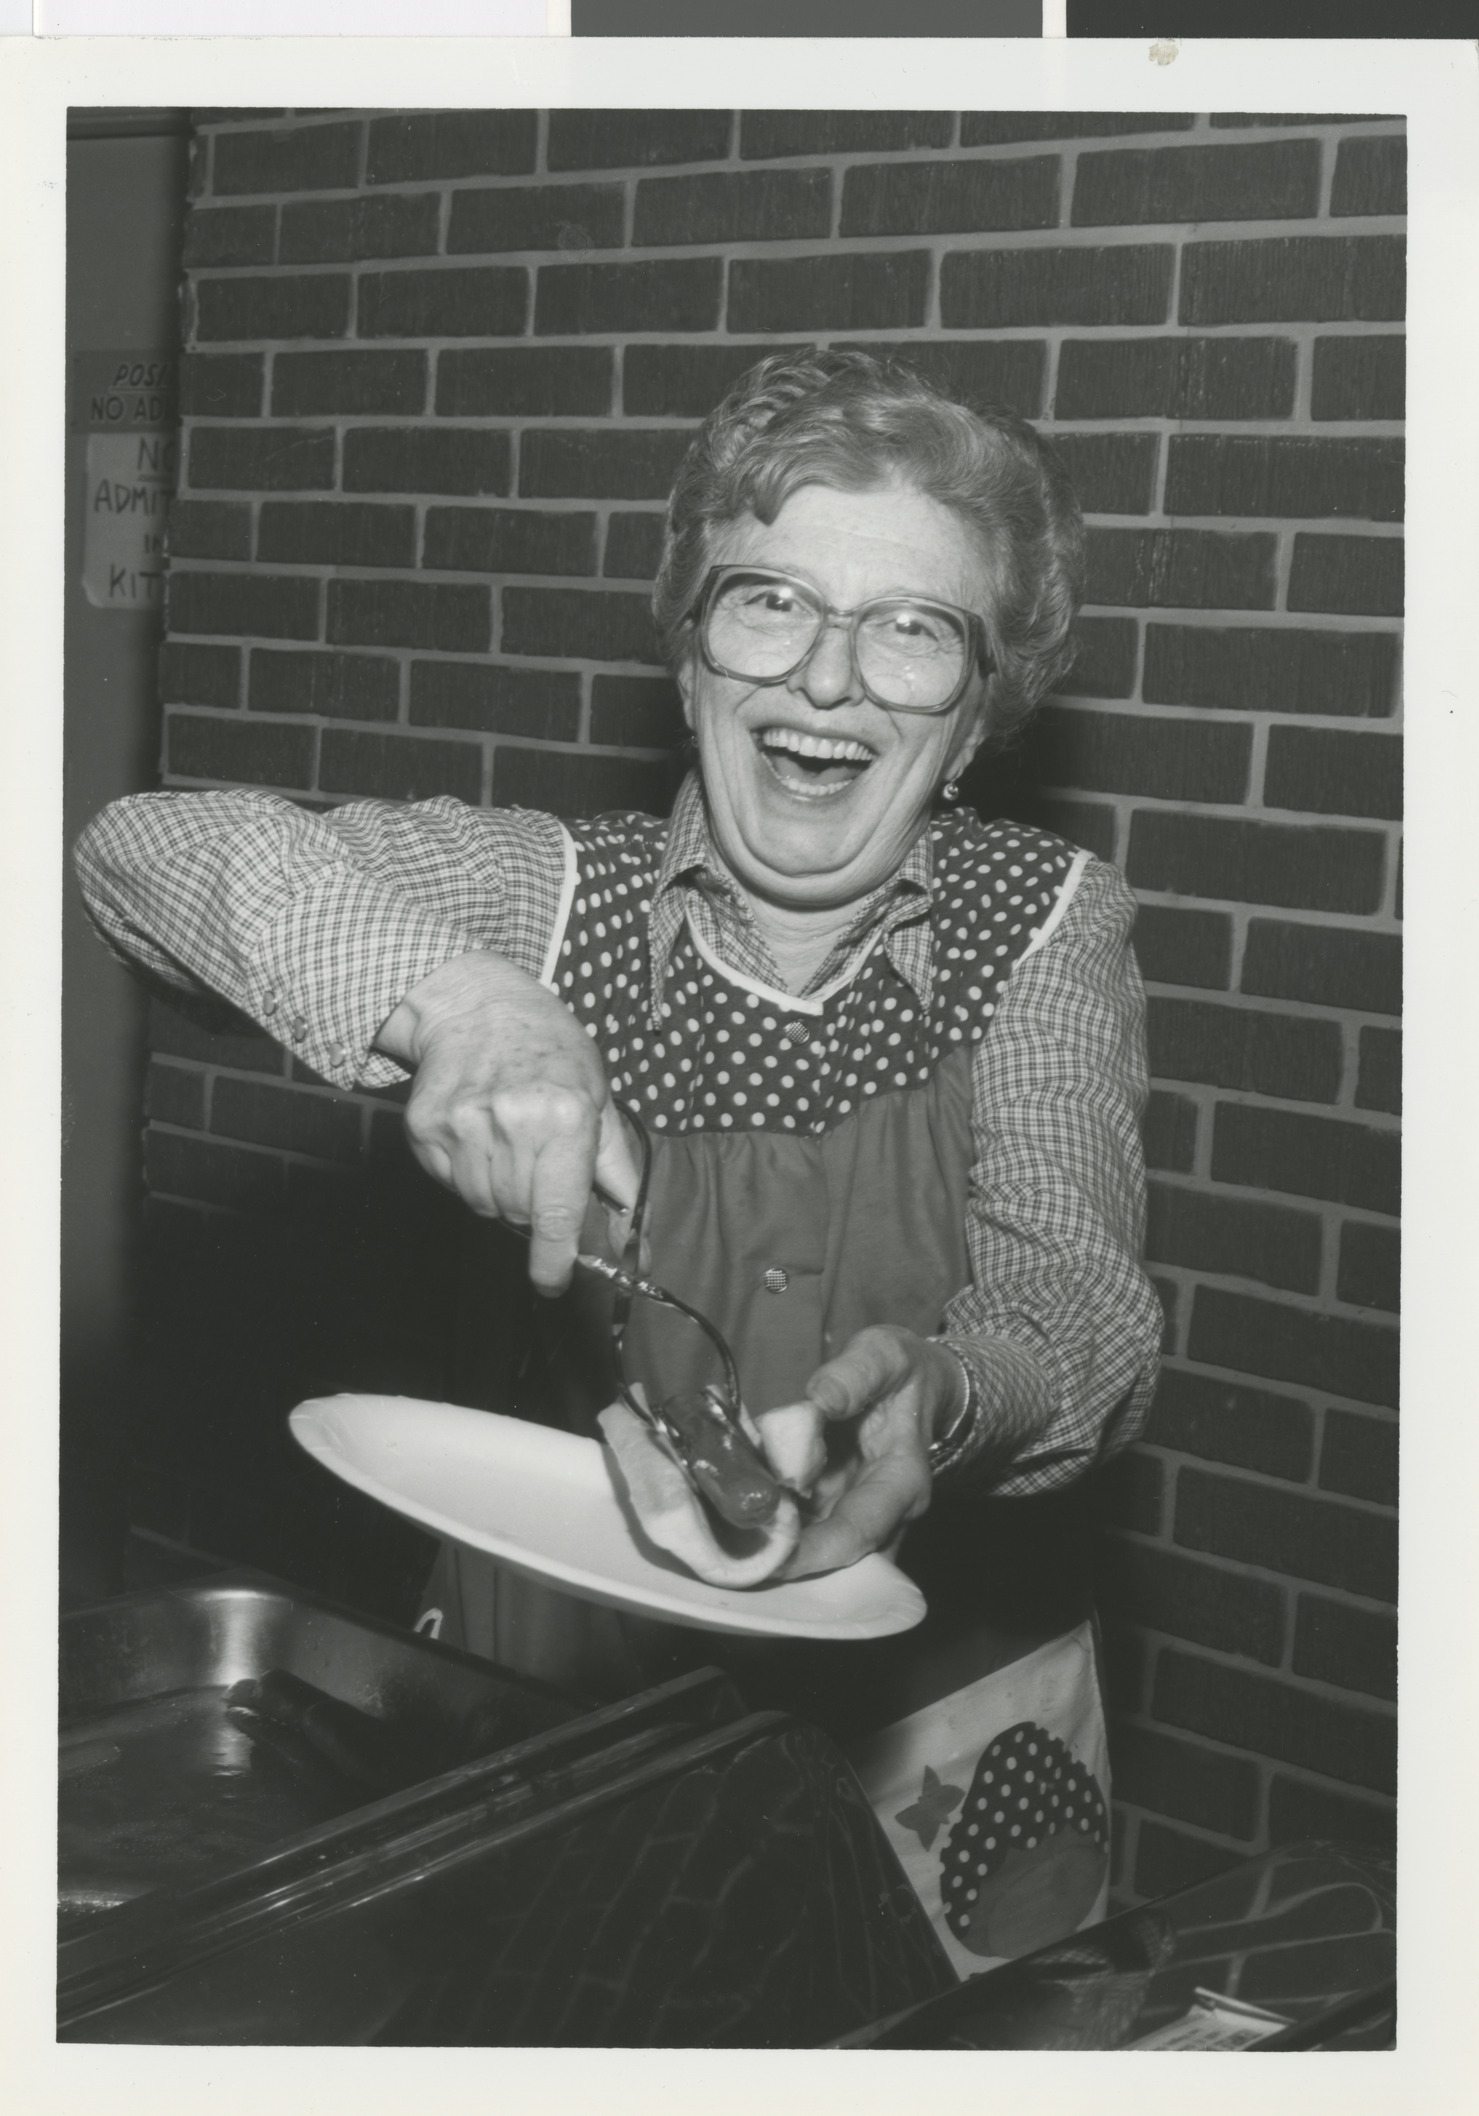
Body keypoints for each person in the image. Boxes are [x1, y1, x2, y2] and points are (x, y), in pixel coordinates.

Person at [75, 350, 1162, 1971]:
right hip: (547, 1692)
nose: (830, 680)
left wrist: (947, 1395)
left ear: (981, 708)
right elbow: (138, 850)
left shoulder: (1047, 920)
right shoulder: (556, 893)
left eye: (913, 629)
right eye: (769, 602)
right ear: (691, 651)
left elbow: (1085, 1299)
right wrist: (466, 1003)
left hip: (938, 1718)